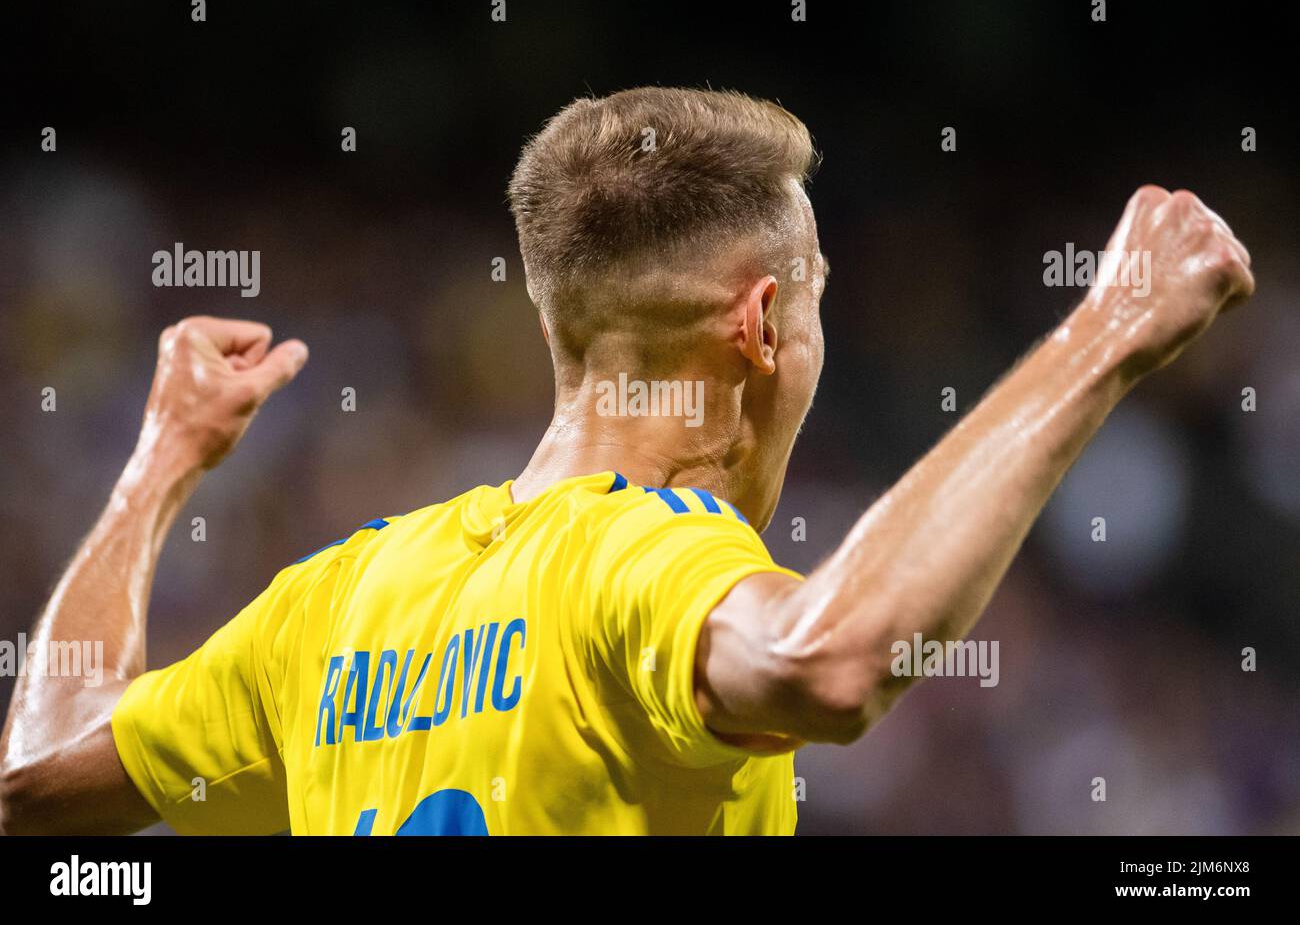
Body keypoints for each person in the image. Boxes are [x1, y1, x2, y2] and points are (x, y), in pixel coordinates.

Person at [0, 87, 1255, 834]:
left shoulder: (333, 601)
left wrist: (160, 461)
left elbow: (33, 779)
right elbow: (834, 660)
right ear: (764, 326)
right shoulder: (647, 561)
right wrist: (1106, 333)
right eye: (814, 300)